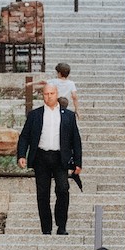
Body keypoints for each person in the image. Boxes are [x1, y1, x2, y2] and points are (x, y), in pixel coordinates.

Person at [16, 80, 83, 234]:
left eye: (52, 93)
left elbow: (76, 140)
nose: (49, 96)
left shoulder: (69, 116)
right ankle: (46, 229)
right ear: (42, 96)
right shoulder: (35, 115)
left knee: (63, 189)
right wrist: (21, 154)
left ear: (57, 94)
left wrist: (78, 162)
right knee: (42, 194)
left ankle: (62, 226)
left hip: (61, 158)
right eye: (46, 94)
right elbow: (24, 136)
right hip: (41, 157)